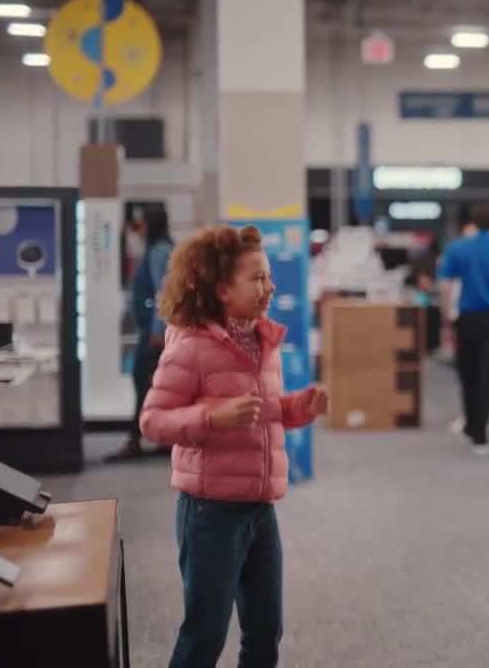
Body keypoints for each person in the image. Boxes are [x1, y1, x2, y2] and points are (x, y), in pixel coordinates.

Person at [140, 225, 329, 668]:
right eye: (258, 278)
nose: (270, 287)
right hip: (210, 513)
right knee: (204, 637)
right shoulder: (189, 346)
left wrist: (297, 409)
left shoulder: (262, 339)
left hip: (260, 509)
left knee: (266, 635)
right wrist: (212, 419)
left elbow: (260, 410)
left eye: (268, 277)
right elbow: (152, 421)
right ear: (222, 288)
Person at [438, 204, 489, 456]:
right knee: (486, 377)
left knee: (468, 374)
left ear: (471, 223)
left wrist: (446, 320)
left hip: (468, 319)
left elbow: (445, 288)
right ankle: (481, 434)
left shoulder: (458, 249)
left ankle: (470, 425)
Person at [107, 203, 175, 462]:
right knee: (151, 384)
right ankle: (156, 437)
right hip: (151, 331)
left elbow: (164, 292)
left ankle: (137, 439)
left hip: (155, 334)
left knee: (144, 382)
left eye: (141, 223)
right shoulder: (155, 250)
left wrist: (159, 330)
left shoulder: (159, 251)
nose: (138, 229)